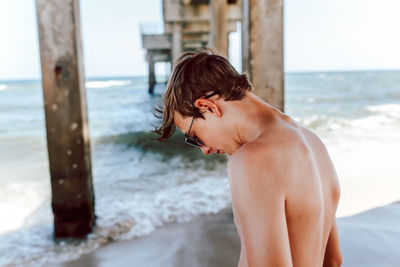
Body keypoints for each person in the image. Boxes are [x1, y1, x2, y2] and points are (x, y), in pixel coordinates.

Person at [154, 47, 342, 267]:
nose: (204, 150)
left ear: (208, 107)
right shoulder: (313, 142)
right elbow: (333, 260)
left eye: (194, 137)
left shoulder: (251, 159)